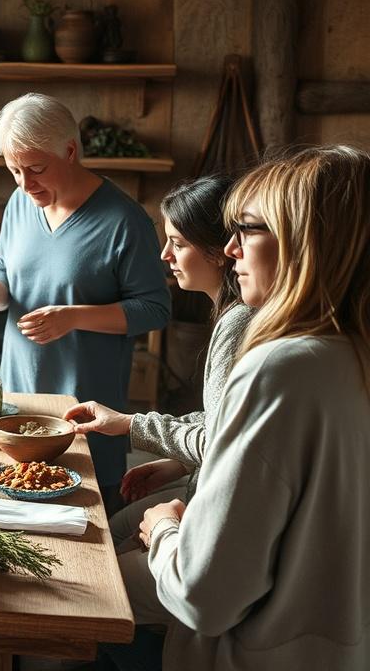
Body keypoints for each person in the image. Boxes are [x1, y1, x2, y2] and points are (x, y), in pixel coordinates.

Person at [112, 146, 370, 670]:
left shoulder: (281, 366)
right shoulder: (352, 354)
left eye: (249, 229)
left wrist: (165, 529)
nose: (230, 250)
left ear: (307, 240)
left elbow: (202, 593)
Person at [0, 93, 170, 499]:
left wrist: (73, 317)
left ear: (70, 151)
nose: (24, 183)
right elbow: (2, 265)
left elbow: (154, 309)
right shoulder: (20, 203)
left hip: (86, 406)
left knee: (86, 522)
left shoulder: (124, 220)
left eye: (36, 169)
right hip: (19, 396)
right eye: (14, 170)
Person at [63, 176, 254, 550]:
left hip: (218, 508)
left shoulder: (239, 321)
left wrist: (130, 425)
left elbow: (224, 441)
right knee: (115, 525)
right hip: (200, 480)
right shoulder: (232, 314)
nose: (166, 255)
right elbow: (225, 420)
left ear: (220, 251)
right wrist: (179, 463)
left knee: (106, 552)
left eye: (178, 243)